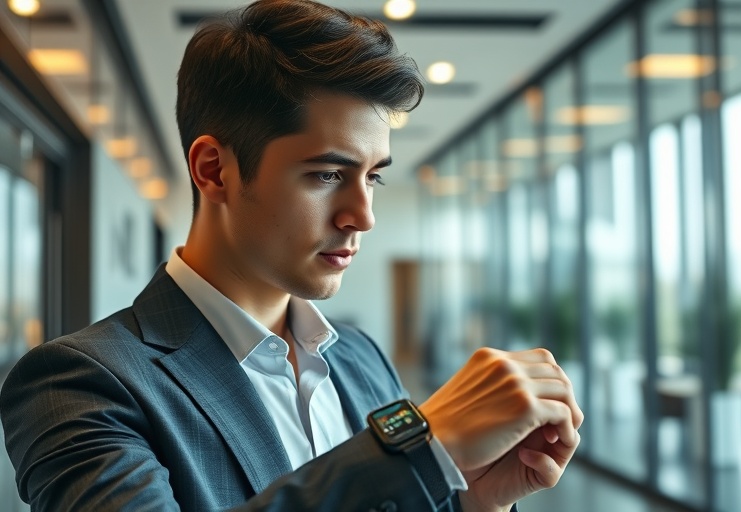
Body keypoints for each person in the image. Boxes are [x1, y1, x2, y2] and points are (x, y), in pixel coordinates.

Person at [0, 1, 583, 510]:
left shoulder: (359, 358)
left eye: (372, 178)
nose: (363, 215)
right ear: (215, 170)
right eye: (328, 174)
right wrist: (421, 443)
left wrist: (472, 504)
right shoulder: (80, 383)